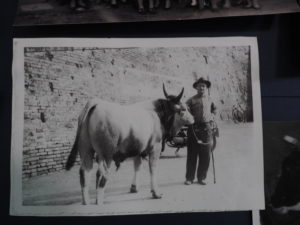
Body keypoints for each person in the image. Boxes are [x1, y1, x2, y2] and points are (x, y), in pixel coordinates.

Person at [185, 77, 217, 185]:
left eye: (203, 86)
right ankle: (189, 178)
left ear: (206, 88)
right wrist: (188, 115)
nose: (201, 88)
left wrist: (212, 116)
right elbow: (184, 108)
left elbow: (215, 109)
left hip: (206, 128)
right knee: (192, 154)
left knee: (206, 154)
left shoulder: (210, 99)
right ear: (196, 88)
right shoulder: (191, 100)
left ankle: (202, 177)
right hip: (193, 128)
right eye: (199, 86)